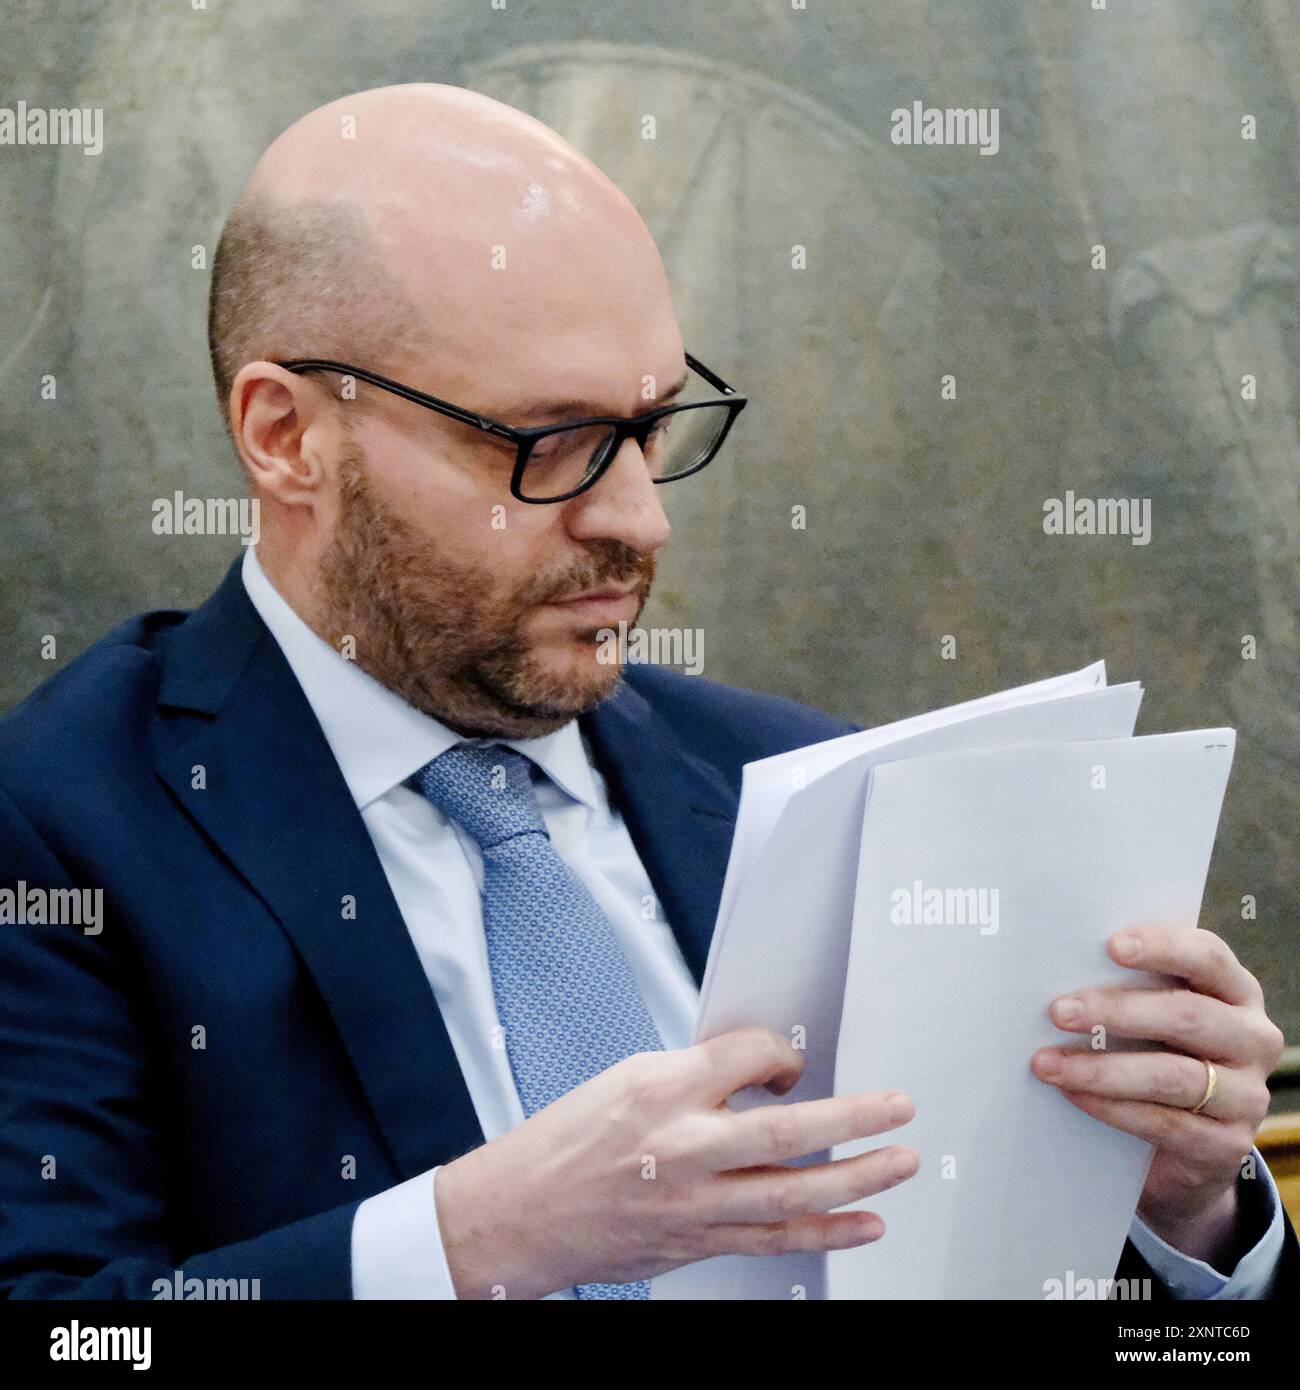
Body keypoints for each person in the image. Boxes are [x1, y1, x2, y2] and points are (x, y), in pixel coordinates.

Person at [0, 83, 1293, 1301]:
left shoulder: (810, 784)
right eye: (547, 444)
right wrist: (476, 1236)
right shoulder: (59, 824)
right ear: (288, 436)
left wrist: (1182, 1205)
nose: (636, 518)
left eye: (653, 427)